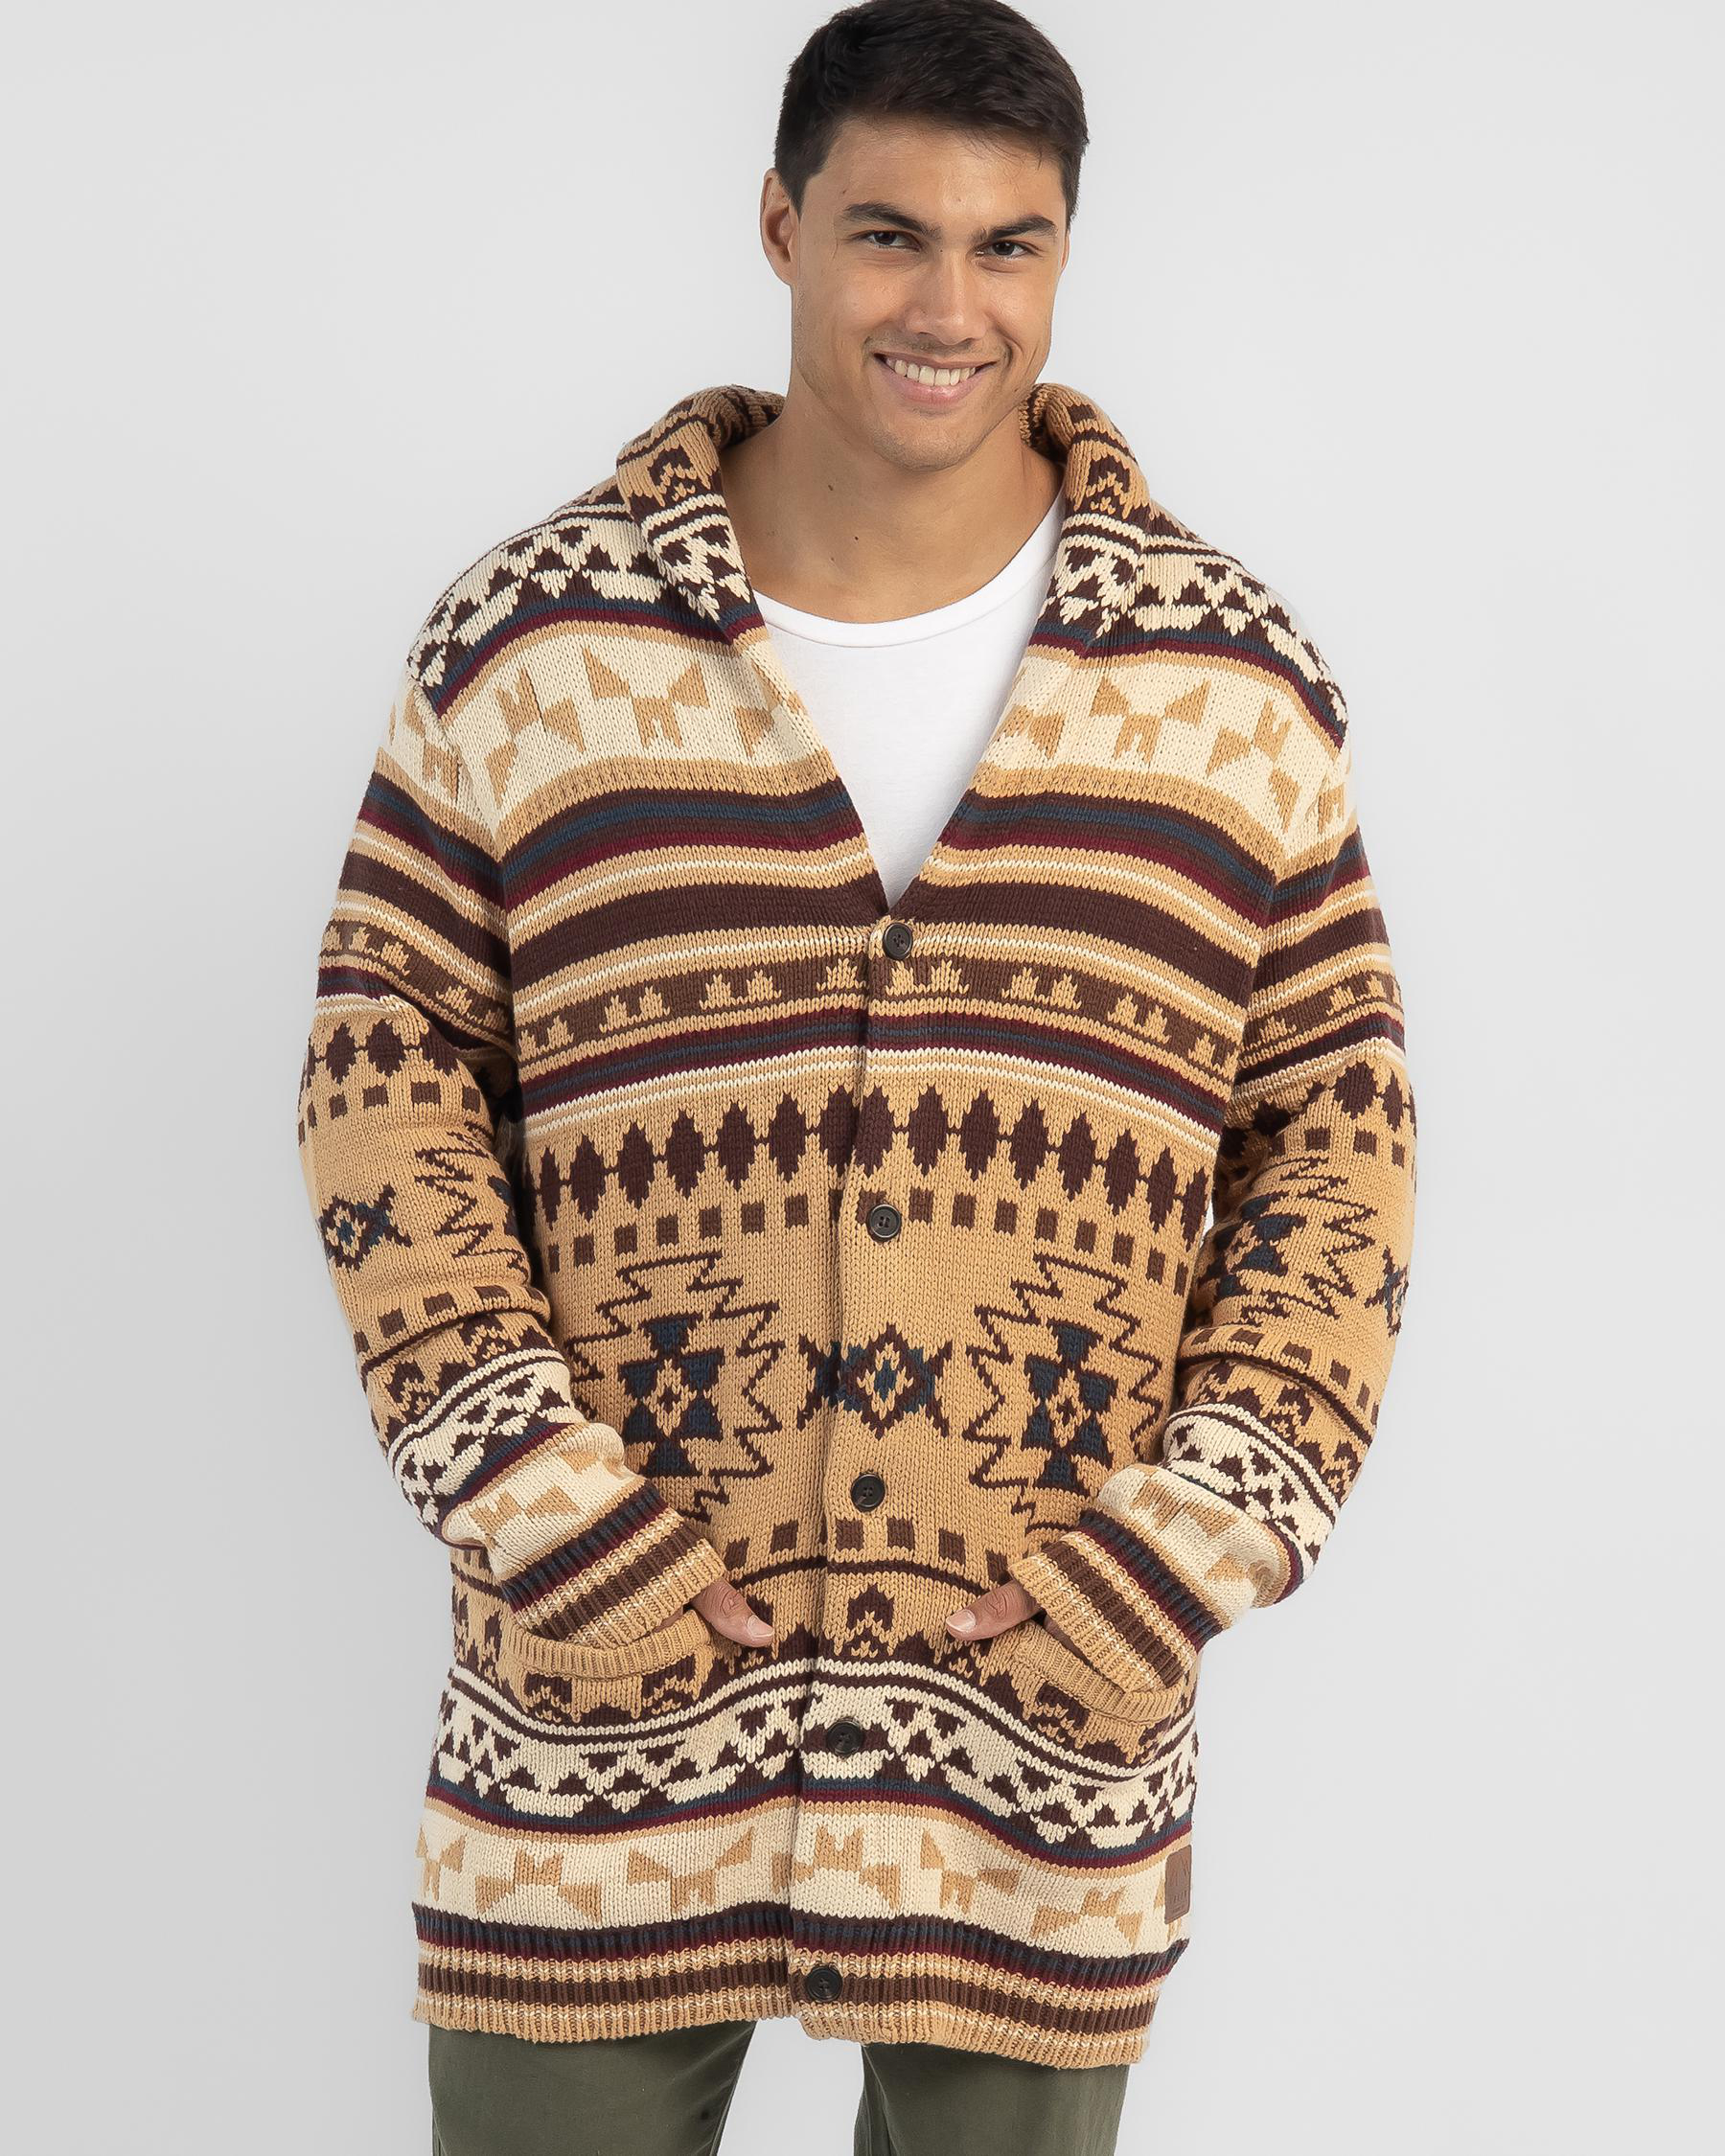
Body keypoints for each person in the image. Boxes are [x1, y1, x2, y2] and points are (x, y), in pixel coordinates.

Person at [293, 3, 1417, 2150]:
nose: (946, 306)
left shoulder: (1231, 681)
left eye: (1011, 245)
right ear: (780, 227)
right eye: (890, 234)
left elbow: (1337, 1154)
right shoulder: (534, 649)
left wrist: (1181, 1550)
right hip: (594, 1712)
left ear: (1065, 257)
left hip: (1042, 1715)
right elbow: (386, 1080)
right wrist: (541, 1510)